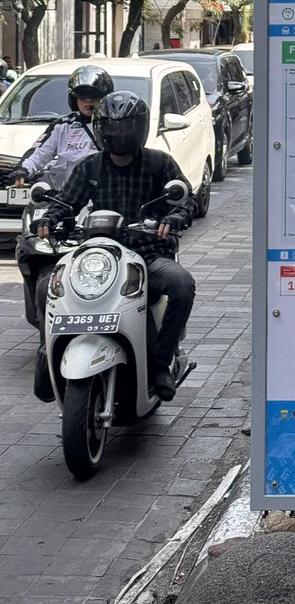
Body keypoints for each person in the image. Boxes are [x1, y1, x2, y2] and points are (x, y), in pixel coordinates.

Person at [35, 90, 196, 401]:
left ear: (138, 129)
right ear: (101, 128)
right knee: (46, 286)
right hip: (99, 257)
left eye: (125, 127)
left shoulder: (159, 164)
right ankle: (47, 352)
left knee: (181, 284)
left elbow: (185, 201)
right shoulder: (90, 167)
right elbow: (66, 202)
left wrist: (175, 217)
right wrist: (48, 218)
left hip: (148, 257)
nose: (118, 134)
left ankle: (161, 363)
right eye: (111, 127)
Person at [6, 65, 114, 190]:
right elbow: (39, 154)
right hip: (66, 198)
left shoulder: (116, 124)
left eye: (94, 95)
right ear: (74, 99)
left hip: (104, 195)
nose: (88, 100)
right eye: (82, 96)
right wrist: (23, 170)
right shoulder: (61, 127)